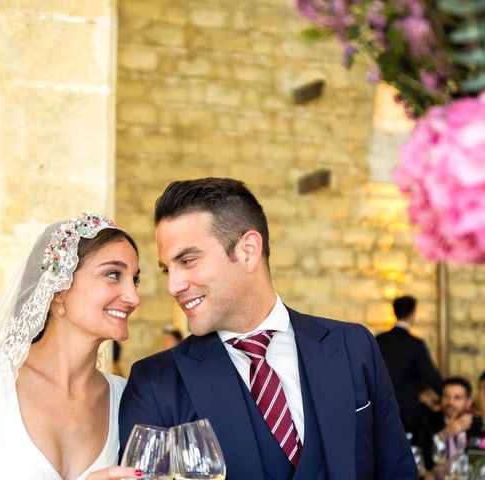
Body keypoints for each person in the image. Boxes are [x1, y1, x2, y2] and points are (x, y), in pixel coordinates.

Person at [119, 178, 416, 479]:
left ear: (248, 251)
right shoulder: (155, 384)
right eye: (167, 269)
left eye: (188, 260)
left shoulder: (353, 346)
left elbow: (398, 472)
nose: (173, 285)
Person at [0, 213, 142, 480]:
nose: (133, 297)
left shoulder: (125, 397)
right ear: (59, 290)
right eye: (113, 274)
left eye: (135, 280)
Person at [376, 295, 443, 436]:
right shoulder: (415, 344)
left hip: (379, 408)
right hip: (408, 410)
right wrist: (444, 396)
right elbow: (431, 376)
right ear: (413, 314)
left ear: (394, 312)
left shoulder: (379, 340)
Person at [423, 377, 484, 471]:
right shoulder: (428, 420)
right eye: (446, 396)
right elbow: (424, 459)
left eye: (457, 398)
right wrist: (445, 433)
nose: (450, 402)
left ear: (468, 402)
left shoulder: (477, 423)